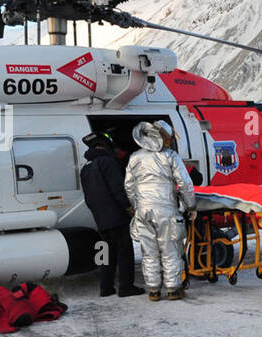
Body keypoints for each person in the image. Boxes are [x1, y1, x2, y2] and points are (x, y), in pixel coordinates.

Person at [124, 121, 196, 302]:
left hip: (143, 212)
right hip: (166, 210)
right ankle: (172, 289)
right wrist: (191, 206)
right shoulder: (170, 156)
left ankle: (153, 290)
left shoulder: (134, 157)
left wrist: (136, 205)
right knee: (170, 250)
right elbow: (185, 184)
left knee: (149, 252)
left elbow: (129, 186)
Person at [79, 131, 143, 298]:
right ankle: (126, 287)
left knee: (106, 253)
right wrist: (129, 208)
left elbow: (87, 197)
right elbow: (118, 190)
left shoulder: (86, 167)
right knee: (125, 251)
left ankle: (105, 287)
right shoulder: (107, 162)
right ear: (106, 146)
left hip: (100, 218)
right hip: (116, 216)